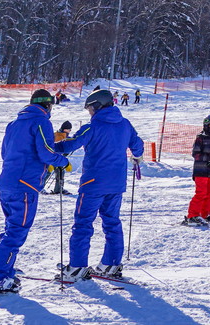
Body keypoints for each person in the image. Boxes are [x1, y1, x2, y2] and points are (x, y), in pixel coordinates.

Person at [0, 89, 69, 294]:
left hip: (6, 183)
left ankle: (5, 270)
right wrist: (62, 162)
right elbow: (46, 152)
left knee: (11, 229)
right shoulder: (42, 122)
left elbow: (5, 152)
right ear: (48, 105)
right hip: (25, 187)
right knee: (16, 233)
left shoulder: (13, 124)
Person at [56, 89, 144, 282]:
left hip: (93, 184)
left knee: (83, 223)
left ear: (97, 106)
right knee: (112, 222)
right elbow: (138, 146)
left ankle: (78, 267)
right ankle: (111, 264)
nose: (89, 113)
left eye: (89, 109)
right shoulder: (125, 125)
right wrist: (137, 157)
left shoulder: (91, 127)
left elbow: (70, 144)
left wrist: (51, 148)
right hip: (116, 183)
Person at [183, 114, 210, 226]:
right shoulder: (200, 138)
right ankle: (192, 216)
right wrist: (209, 160)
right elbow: (196, 154)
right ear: (206, 125)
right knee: (201, 193)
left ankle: (206, 215)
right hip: (201, 170)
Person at [46, 121, 74, 195]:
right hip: (53, 157)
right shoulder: (58, 135)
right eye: (69, 129)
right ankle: (40, 187)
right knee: (47, 172)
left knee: (60, 172)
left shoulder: (65, 136)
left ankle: (59, 189)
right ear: (65, 129)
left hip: (60, 158)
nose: (69, 131)